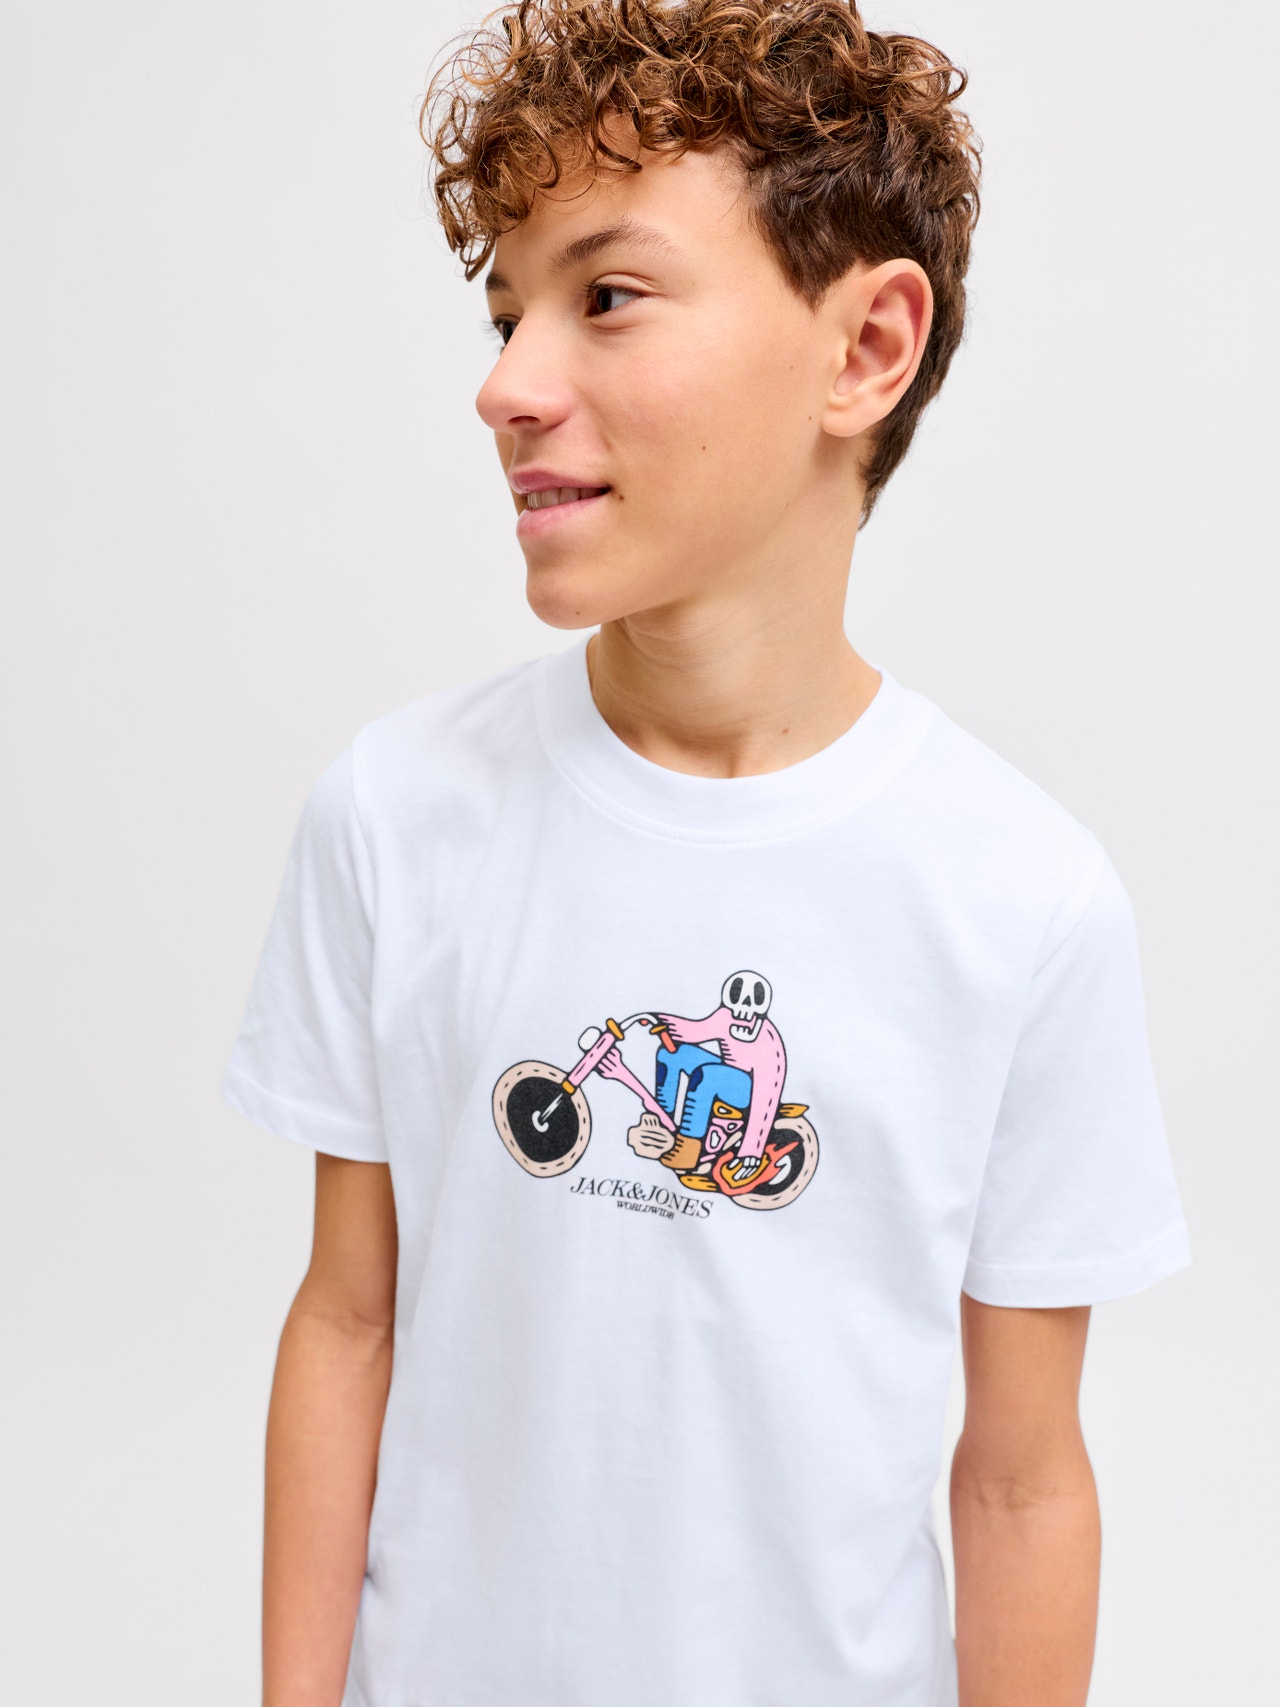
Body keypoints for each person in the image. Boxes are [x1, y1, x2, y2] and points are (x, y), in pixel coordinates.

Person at [221, 2, 1191, 1703]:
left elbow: (1023, 1479)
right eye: (508, 310)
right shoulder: (395, 813)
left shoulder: (1020, 901)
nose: (506, 385)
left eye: (605, 296)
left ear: (865, 348)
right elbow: (349, 1321)